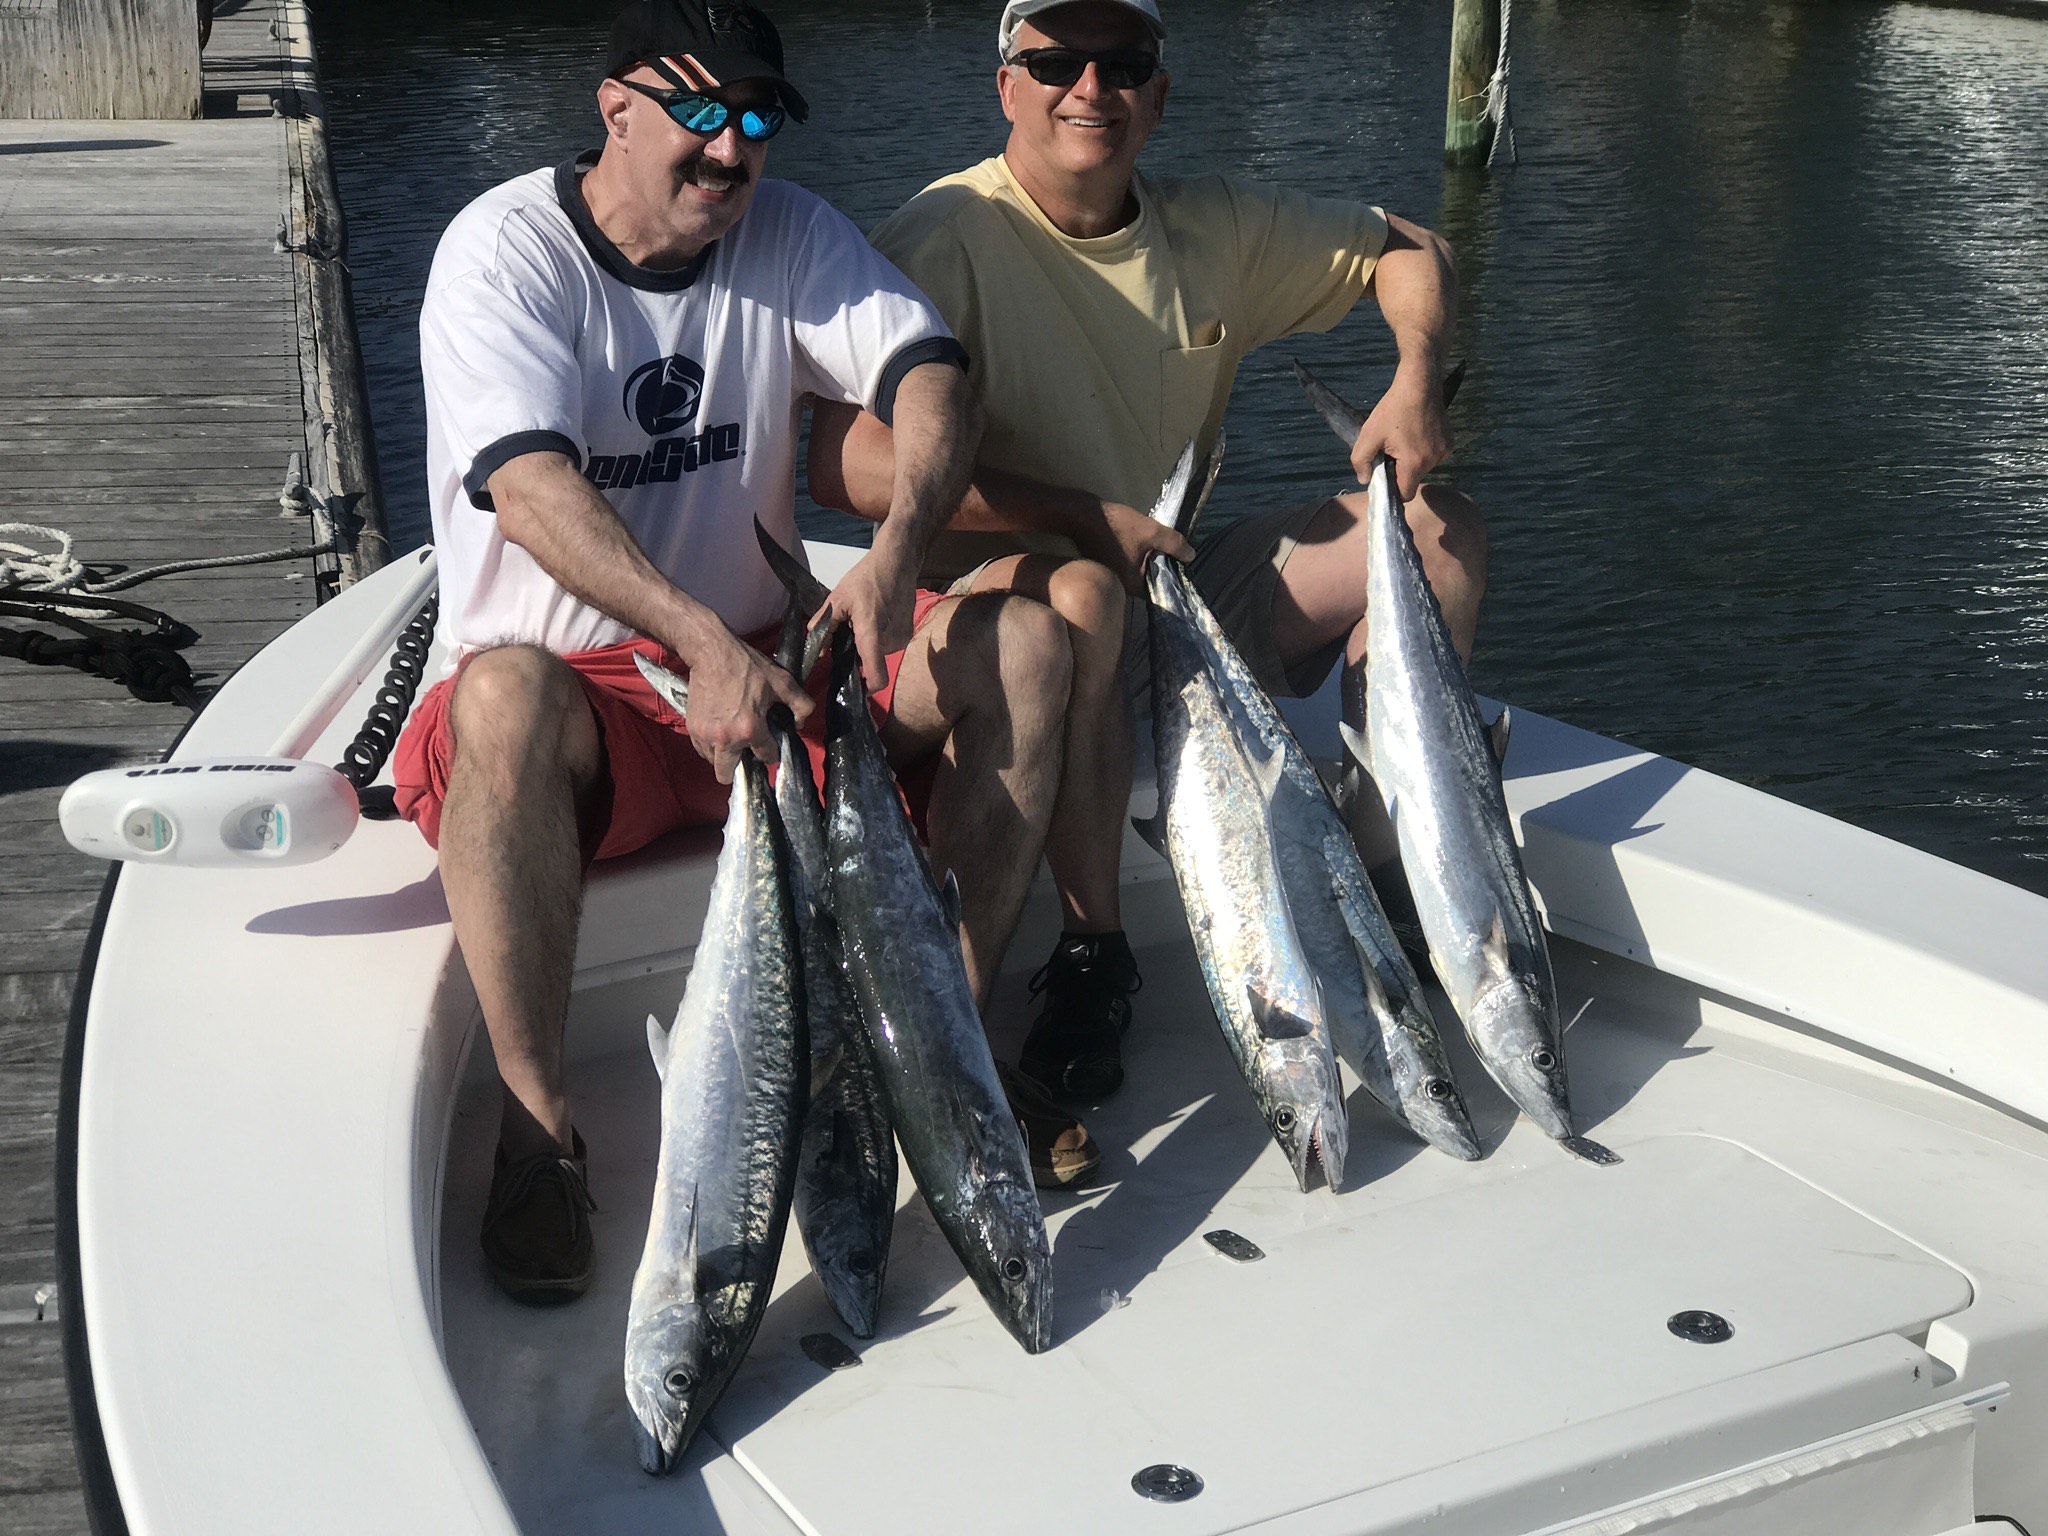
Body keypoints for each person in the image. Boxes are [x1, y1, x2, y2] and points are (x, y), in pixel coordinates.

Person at [395, 0, 1098, 1307]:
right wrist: (692, 636)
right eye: (702, 115)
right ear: (617, 110)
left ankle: (944, 1064)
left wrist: (897, 547)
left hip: (776, 676)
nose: (733, 151)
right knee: (499, 701)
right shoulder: (503, 254)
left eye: (758, 118)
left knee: (1027, 650)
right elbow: (531, 488)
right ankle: (540, 1138)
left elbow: (932, 378)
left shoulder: (792, 232)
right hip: (587, 703)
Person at [807, 0, 1487, 1110]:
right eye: (1055, 62)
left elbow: (1414, 250)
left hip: (1165, 589)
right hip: (1001, 622)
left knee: (1438, 538)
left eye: (1120, 65)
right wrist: (1079, 514)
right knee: (1082, 594)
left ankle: (1381, 877)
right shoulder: (939, 238)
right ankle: (1091, 953)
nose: (1089, 89)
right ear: (1006, 87)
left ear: (1158, 95)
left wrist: (1413, 377)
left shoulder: (1207, 226)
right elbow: (843, 465)